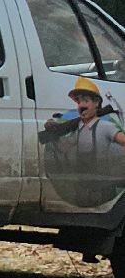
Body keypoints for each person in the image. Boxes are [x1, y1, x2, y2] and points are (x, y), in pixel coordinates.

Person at [38, 76, 125, 208]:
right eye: (79, 102)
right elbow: (64, 147)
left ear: (96, 103)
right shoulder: (79, 129)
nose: (82, 105)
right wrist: (54, 134)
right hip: (83, 188)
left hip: (101, 189)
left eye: (86, 101)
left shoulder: (105, 127)